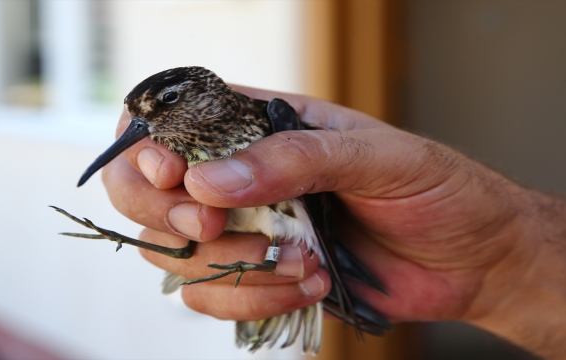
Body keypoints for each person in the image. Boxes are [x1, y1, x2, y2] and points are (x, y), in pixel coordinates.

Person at [100, 85, 565, 359]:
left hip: (299, 227)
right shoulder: (173, 143)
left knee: (234, 246)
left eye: (164, 103)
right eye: (141, 119)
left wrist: (509, 264)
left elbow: (312, 207)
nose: (146, 127)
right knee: (197, 236)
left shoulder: (271, 116)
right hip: (272, 238)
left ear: (201, 92)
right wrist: (508, 273)